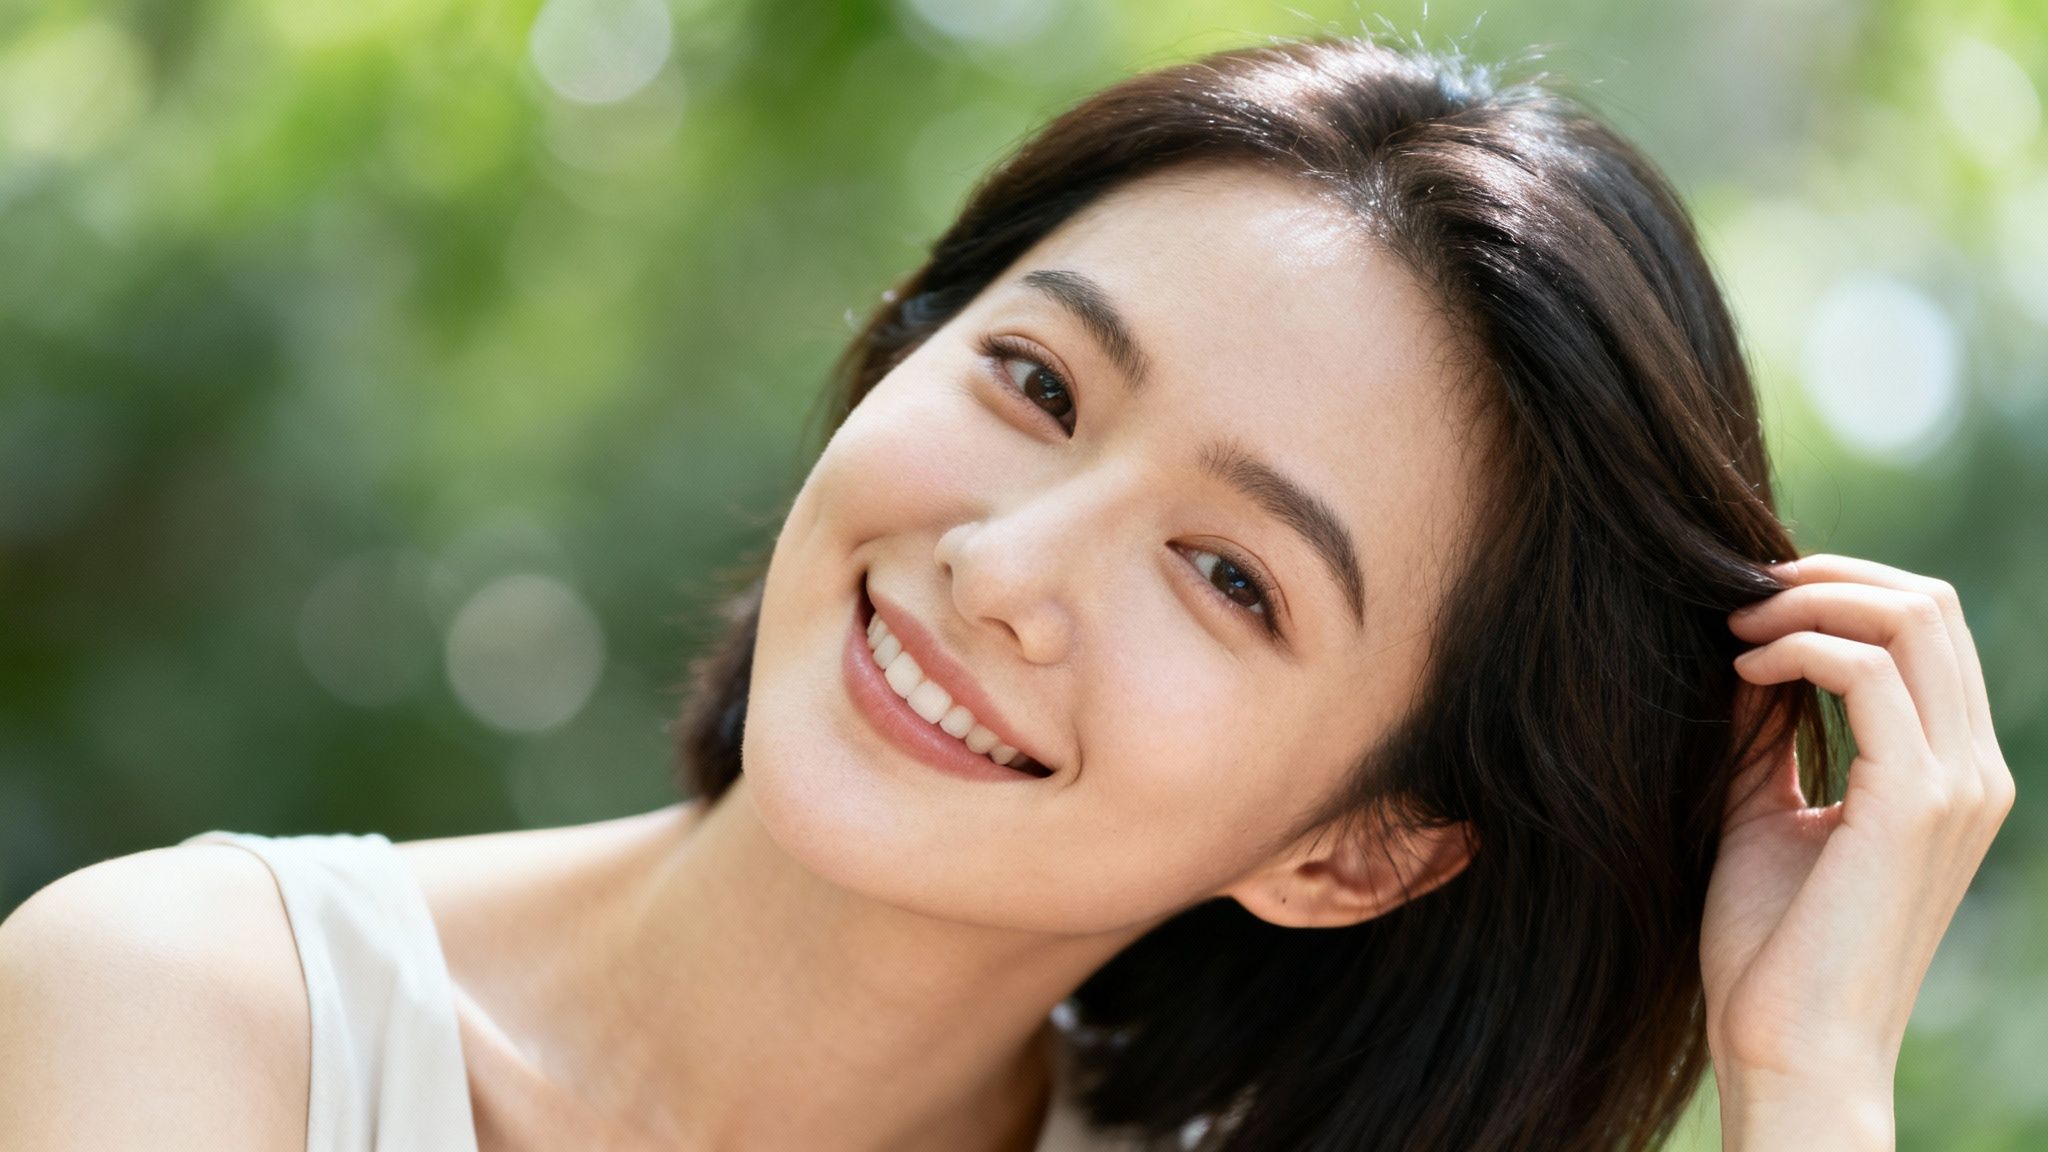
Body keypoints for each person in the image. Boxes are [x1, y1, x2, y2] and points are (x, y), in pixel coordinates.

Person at [0, 33, 2017, 1152]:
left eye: (1229, 576)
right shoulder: (195, 1021)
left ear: (1359, 851)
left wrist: (1809, 1084)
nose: (1004, 565)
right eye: (1034, 383)